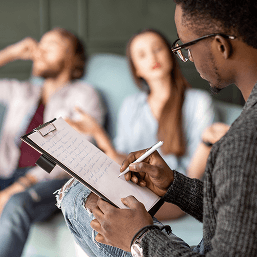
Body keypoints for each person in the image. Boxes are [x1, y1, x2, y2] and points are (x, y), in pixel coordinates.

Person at [57, 0, 257, 255]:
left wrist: (140, 237)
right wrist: (175, 185)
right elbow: (240, 212)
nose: (187, 57)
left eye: (186, 47)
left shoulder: (241, 143)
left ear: (220, 46)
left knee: (77, 196)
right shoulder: (246, 129)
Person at [65, 28, 215, 220]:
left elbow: (194, 176)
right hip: (137, 188)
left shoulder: (198, 102)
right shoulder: (131, 105)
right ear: (136, 68)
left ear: (171, 54)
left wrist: (207, 142)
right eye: (142, 55)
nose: (153, 57)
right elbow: (120, 161)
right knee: (83, 200)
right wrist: (97, 132)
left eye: (157, 49)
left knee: (108, 214)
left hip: (174, 195)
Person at [0, 28, 105, 257]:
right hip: (6, 172)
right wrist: (11, 52)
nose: (40, 50)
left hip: (51, 180)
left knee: (16, 204)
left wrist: (23, 184)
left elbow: (69, 154)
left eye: (52, 44)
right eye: (40, 44)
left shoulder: (84, 95)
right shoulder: (23, 91)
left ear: (70, 55)